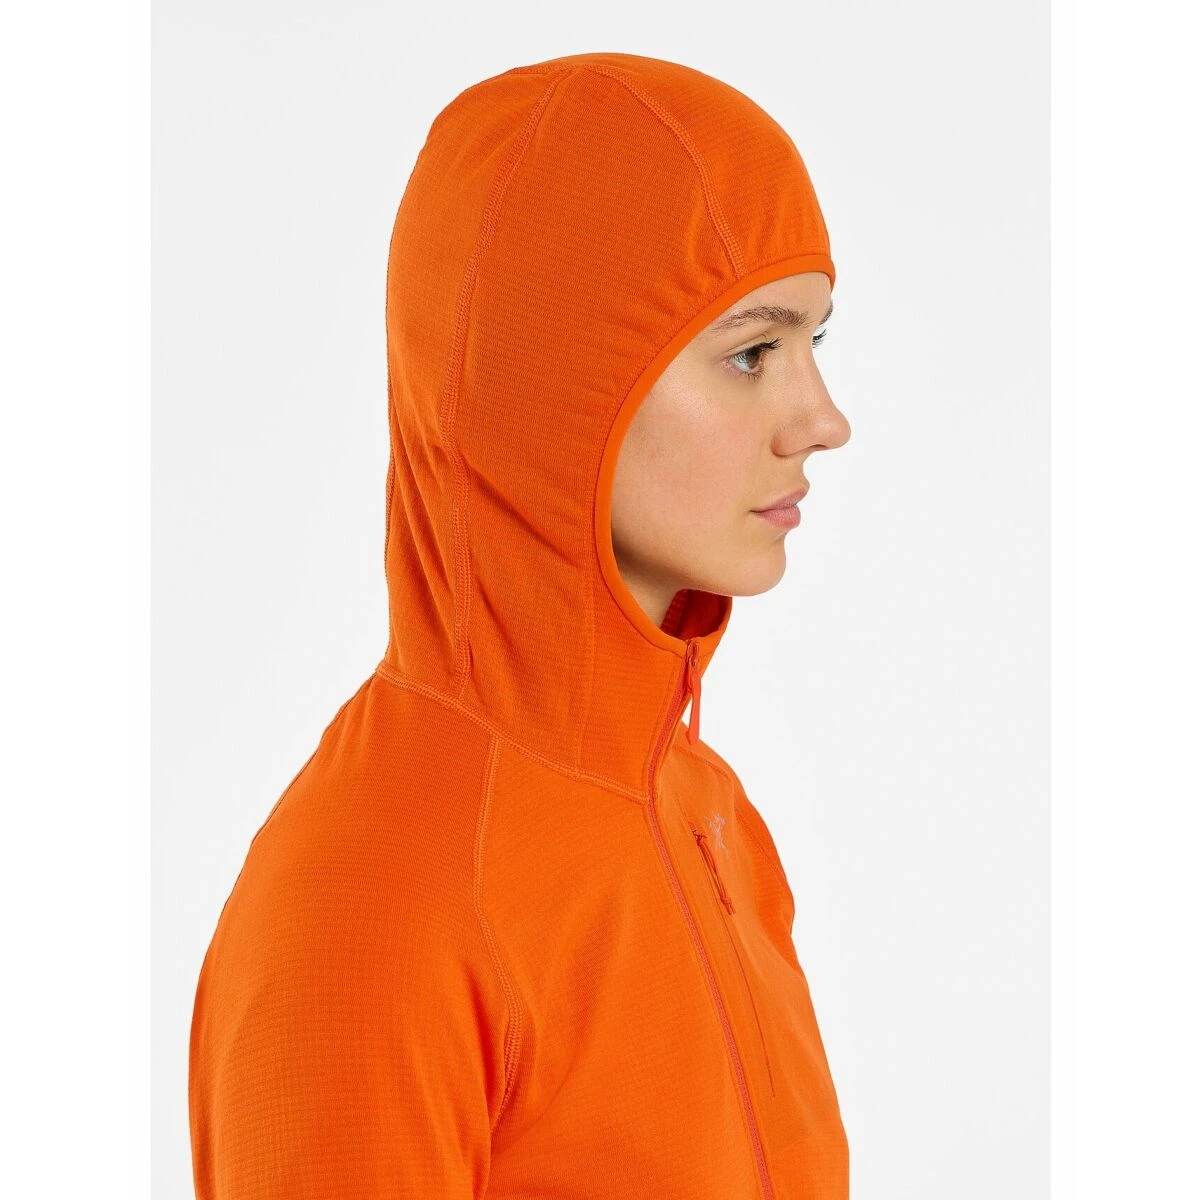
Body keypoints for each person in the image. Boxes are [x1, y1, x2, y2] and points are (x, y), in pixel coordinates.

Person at [188, 50, 852, 1199]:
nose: (823, 419)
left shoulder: (706, 810)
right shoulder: (370, 900)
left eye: (815, 343)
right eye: (751, 352)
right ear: (554, 381)